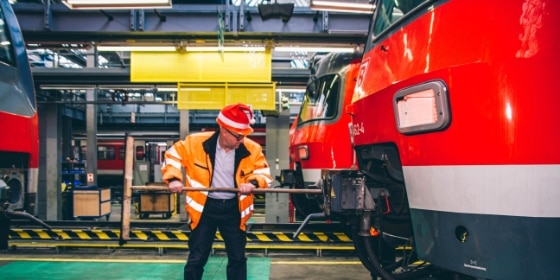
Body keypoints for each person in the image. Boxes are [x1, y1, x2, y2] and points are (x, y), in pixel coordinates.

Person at [161, 103, 272, 280]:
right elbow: (172, 156)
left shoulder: (252, 149)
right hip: (205, 210)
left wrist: (252, 183)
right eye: (238, 136)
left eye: (244, 136)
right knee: (197, 258)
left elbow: (263, 172)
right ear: (224, 130)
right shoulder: (195, 143)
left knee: (237, 258)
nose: (241, 140)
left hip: (234, 210)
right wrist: (174, 179)